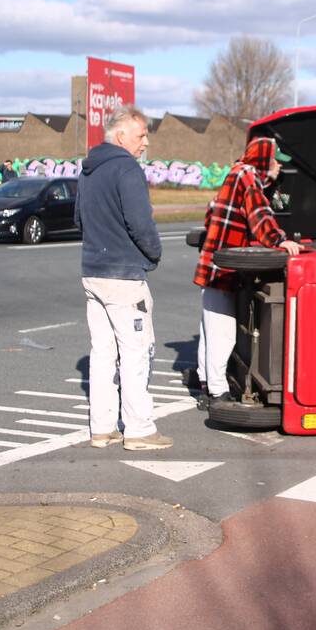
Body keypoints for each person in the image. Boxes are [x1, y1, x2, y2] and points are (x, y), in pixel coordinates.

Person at [75, 105, 171, 451]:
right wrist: (154, 253)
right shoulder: (127, 169)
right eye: (141, 135)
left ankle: (102, 427)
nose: (145, 143)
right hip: (124, 277)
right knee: (135, 352)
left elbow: (79, 221)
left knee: (101, 352)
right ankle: (139, 429)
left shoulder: (87, 171)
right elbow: (140, 224)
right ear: (120, 136)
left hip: (92, 272)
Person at [193, 137, 302, 409]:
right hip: (222, 269)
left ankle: (205, 384)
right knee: (223, 332)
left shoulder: (235, 172)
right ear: (264, 160)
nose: (279, 167)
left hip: (212, 265)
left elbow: (211, 212)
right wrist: (279, 240)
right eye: (275, 162)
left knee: (209, 329)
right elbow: (259, 214)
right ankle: (217, 393)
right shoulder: (248, 175)